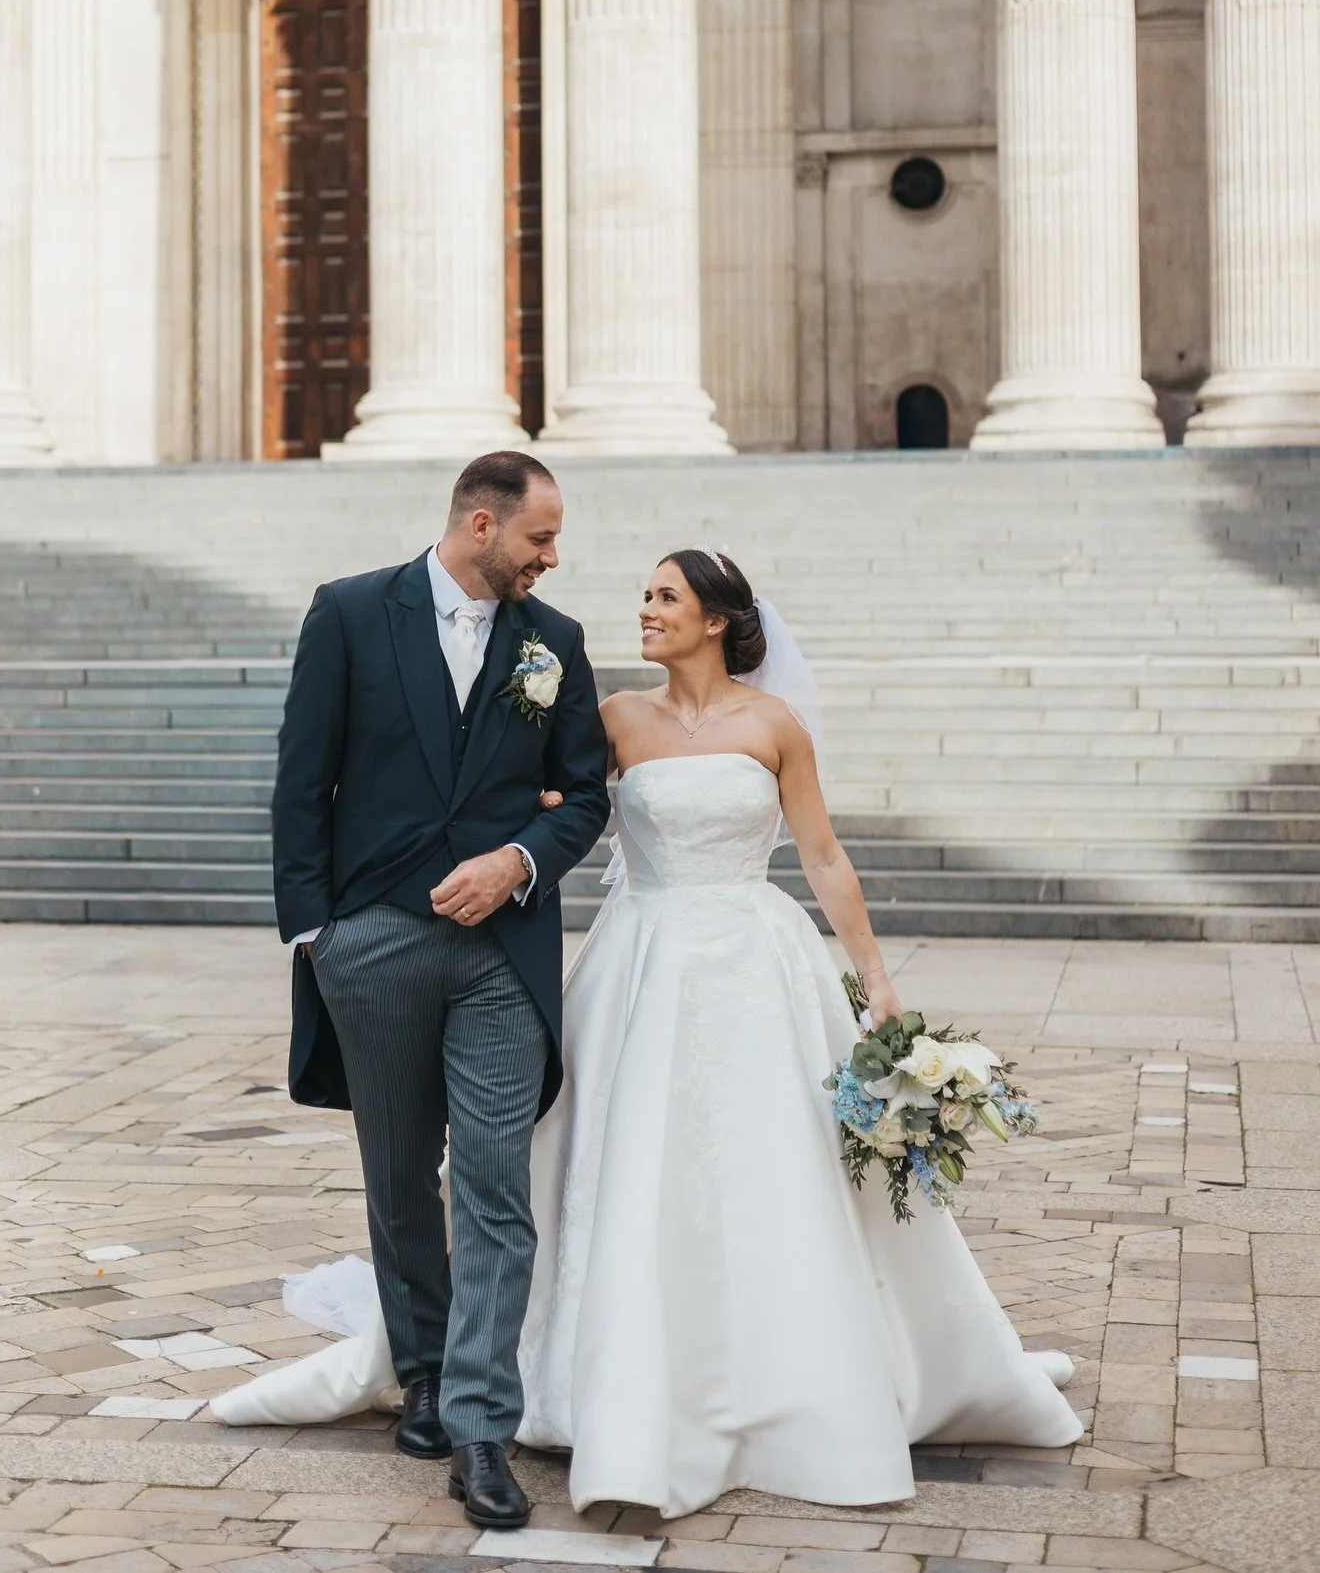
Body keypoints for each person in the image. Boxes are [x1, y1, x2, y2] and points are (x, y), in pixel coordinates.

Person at [224, 544, 1082, 1518]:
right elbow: (535, 797)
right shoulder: (616, 717)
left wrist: (874, 980)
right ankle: (568, 1367)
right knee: (604, 1162)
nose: (645, 608)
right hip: (640, 959)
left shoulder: (775, 724)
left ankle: (793, 1373)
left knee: (771, 1170)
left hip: (758, 961)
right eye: (642, 594)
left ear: (715, 618)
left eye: (664, 596)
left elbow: (825, 853)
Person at [270, 450, 610, 1529]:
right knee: (399, 1174)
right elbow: (301, 778)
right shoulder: (350, 612)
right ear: (478, 522)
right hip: (374, 944)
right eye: (538, 538)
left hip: (504, 954)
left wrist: (519, 858)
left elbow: (586, 795)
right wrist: (318, 934)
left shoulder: (555, 644)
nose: (552, 557)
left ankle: (477, 1422)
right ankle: (420, 1371)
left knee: (495, 1184)